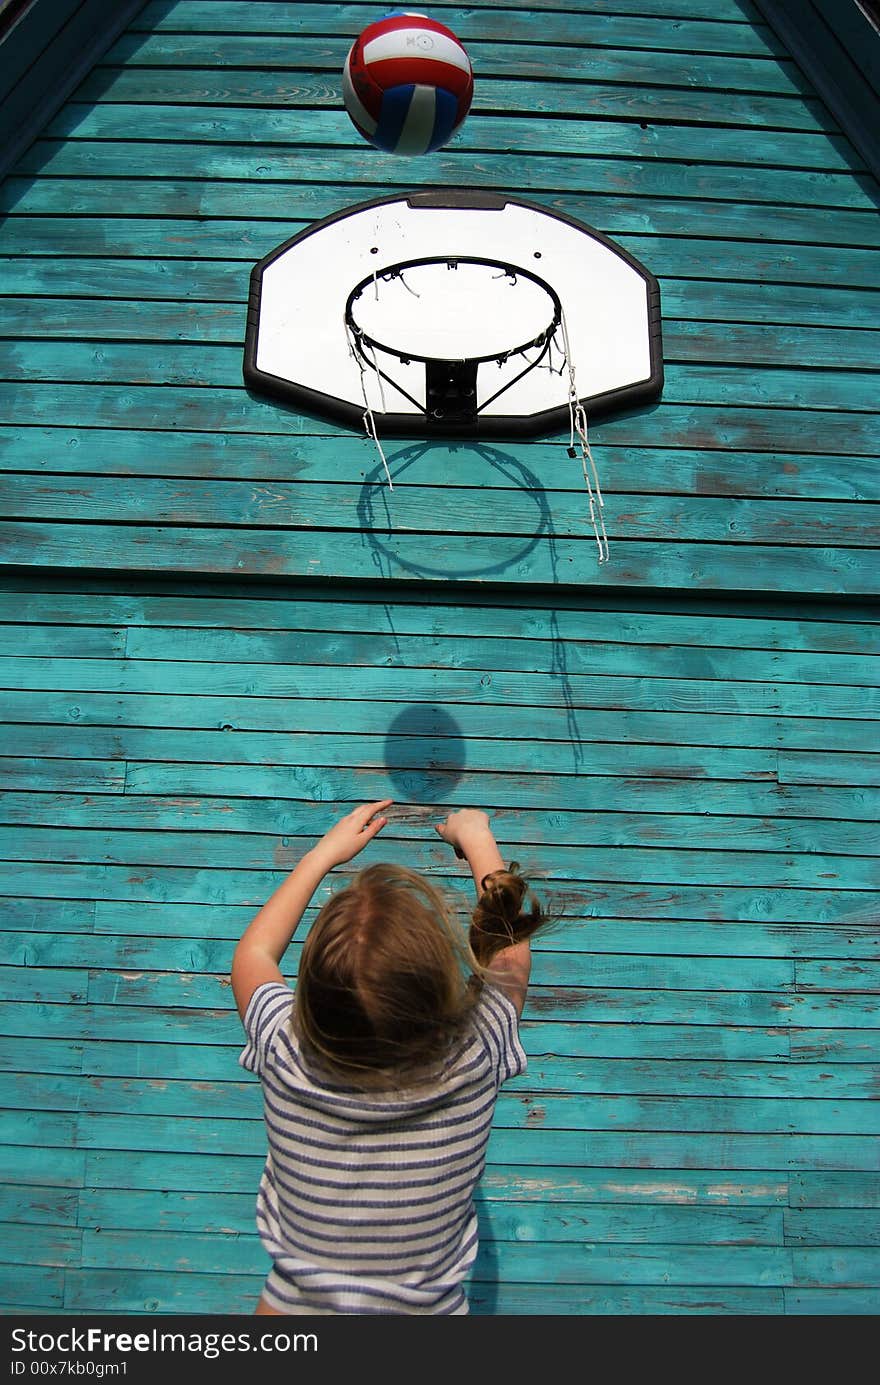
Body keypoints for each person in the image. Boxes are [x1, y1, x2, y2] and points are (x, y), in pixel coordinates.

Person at [230, 799, 549, 1316]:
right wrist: (476, 839)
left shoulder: (285, 1048)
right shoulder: (476, 1054)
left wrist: (322, 856)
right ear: (435, 987)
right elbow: (510, 956)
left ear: (311, 992)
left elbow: (254, 955)